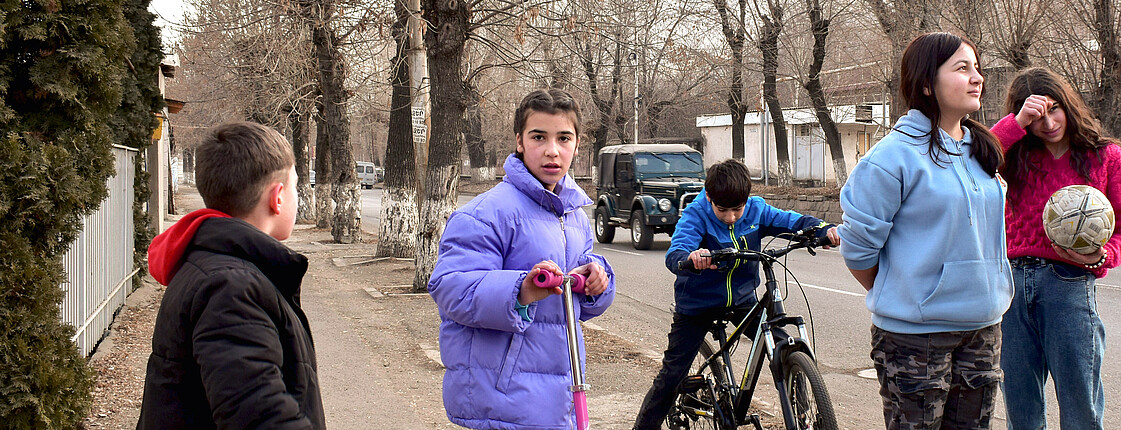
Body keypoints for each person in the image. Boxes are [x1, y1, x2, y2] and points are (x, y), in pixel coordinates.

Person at [836, 32, 1012, 429]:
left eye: (977, 68)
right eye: (962, 68)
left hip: (982, 329)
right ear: (927, 83)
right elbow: (858, 250)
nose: (977, 77)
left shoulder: (981, 150)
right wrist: (905, 291)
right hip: (915, 339)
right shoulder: (892, 157)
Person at [427, 88, 615, 429]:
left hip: (561, 391)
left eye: (564, 138)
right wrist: (521, 290)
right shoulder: (487, 213)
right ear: (519, 141)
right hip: (502, 395)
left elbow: (578, 297)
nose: (552, 151)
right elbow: (450, 287)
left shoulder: (573, 213)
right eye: (539, 137)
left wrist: (596, 281)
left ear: (577, 144)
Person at [137, 122, 323, 429]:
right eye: (296, 186)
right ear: (277, 198)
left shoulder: (216, 268)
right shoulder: (230, 287)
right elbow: (259, 415)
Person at [632, 158, 839, 430]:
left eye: (737, 209)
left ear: (747, 199)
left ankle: (803, 419)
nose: (730, 217)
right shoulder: (696, 214)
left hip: (742, 301)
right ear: (709, 197)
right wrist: (692, 257)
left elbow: (793, 221)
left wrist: (822, 229)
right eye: (723, 210)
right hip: (697, 306)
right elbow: (676, 252)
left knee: (784, 345)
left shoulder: (756, 210)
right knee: (672, 375)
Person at [990, 66, 1118, 430]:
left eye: (1054, 109)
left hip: (1069, 284)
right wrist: (1016, 122)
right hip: (1011, 286)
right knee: (1020, 405)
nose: (1048, 123)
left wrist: (1103, 256)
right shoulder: (1015, 156)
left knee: (1080, 404)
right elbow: (977, 155)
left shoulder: (1106, 156)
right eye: (1037, 116)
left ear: (1069, 105)